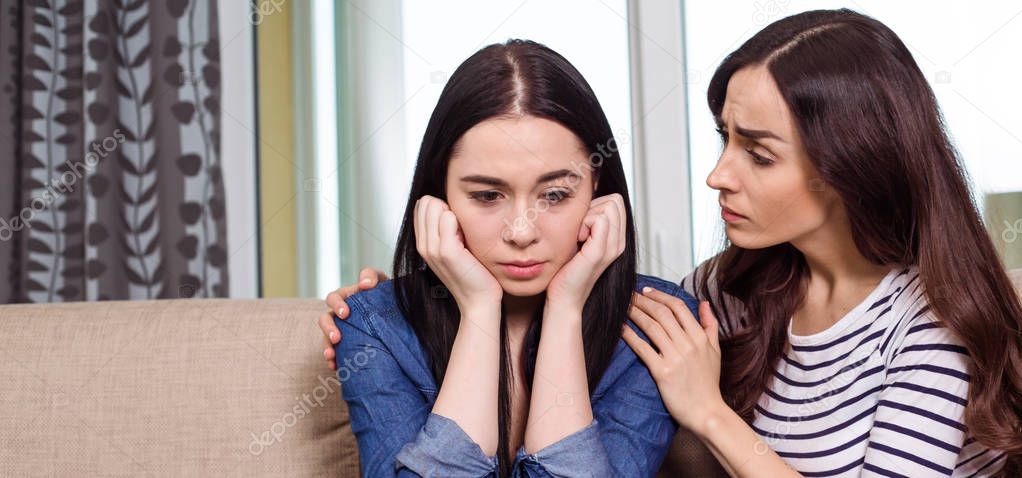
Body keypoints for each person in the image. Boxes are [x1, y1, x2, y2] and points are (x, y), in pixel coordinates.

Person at [322, 10, 1022, 477]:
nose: (719, 174)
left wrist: (708, 413)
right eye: (725, 138)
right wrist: (425, 305)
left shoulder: (930, 330)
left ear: (852, 161)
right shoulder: (726, 294)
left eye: (759, 152)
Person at [329, 39, 696, 477]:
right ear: (439, 194)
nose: (521, 232)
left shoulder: (655, 324)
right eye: (487, 195)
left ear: (596, 187)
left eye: (556, 195)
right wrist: (479, 309)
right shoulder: (373, 327)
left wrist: (566, 308)